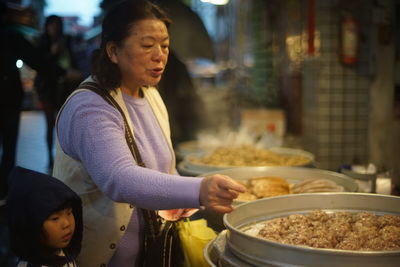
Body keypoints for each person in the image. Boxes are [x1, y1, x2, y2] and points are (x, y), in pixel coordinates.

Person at [52, 1, 246, 266]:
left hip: (152, 252)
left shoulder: (150, 94)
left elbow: (164, 170)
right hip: (102, 258)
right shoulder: (90, 107)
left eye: (165, 45)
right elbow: (120, 179)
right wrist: (199, 189)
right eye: (146, 45)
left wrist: (186, 197)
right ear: (113, 50)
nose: (160, 55)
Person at [0, 3, 64, 205]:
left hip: (10, 94)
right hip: (7, 94)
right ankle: (3, 192)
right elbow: (35, 58)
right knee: (9, 146)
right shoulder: (10, 35)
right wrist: (60, 72)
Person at [7, 166, 83, 267]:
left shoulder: (63, 252)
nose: (67, 224)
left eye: (69, 213)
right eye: (55, 218)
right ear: (31, 225)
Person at [34, 15, 83, 168]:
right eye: (51, 25)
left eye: (56, 25)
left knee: (64, 124)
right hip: (48, 89)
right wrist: (53, 54)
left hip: (65, 88)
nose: (54, 29)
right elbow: (41, 65)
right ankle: (50, 157)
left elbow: (74, 59)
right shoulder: (42, 42)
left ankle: (64, 156)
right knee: (49, 124)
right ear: (47, 27)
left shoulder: (66, 41)